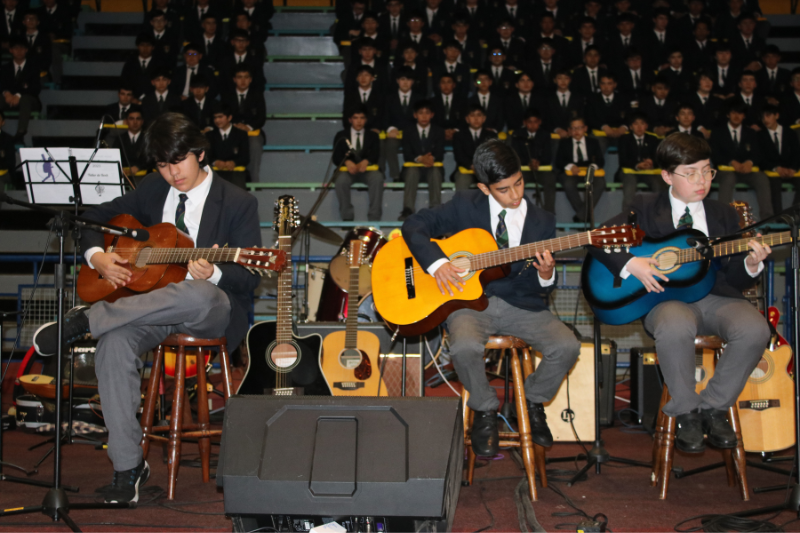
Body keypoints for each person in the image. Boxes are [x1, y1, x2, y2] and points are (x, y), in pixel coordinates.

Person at [32, 112, 262, 503]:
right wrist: (96, 258)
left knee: (200, 292)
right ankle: (128, 468)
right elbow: (90, 218)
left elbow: (250, 278)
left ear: (200, 153)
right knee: (114, 344)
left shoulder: (239, 201)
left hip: (210, 311)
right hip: (150, 309)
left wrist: (216, 273)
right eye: (162, 164)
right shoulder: (153, 191)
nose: (172, 173)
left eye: (178, 161)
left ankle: (86, 320)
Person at [586, 132, 771, 454]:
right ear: (667, 175)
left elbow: (735, 278)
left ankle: (713, 407)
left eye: (708, 171)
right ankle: (685, 412)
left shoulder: (723, 214)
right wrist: (633, 264)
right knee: (674, 325)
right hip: (665, 299)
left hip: (715, 297)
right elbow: (598, 238)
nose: (701, 180)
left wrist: (752, 264)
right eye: (691, 173)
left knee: (755, 328)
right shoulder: (643, 207)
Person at [402, 139, 581, 456]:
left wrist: (545, 273)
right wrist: (438, 264)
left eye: (519, 184)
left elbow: (544, 290)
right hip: (469, 303)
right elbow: (414, 224)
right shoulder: (464, 204)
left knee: (567, 345)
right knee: (464, 345)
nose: (515, 195)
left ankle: (531, 402)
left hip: (522, 303)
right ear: (485, 188)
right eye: (504, 189)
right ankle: (485, 410)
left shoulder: (543, 221)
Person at [710, 101, 772, 218]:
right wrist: (731, 162)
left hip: (746, 171)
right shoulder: (718, 132)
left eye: (740, 113)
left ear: (744, 116)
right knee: (729, 178)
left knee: (761, 178)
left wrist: (749, 162)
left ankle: (767, 218)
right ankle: (723, 217)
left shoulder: (751, 133)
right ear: (728, 114)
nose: (737, 116)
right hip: (724, 171)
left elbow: (758, 154)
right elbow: (715, 155)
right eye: (733, 113)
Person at [333, 105, 383, 221]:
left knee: (377, 178)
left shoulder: (373, 136)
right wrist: (347, 162)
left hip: (368, 170)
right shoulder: (341, 135)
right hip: (347, 171)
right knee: (340, 180)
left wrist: (367, 161)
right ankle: (347, 217)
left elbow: (376, 154)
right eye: (356, 118)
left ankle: (374, 217)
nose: (359, 121)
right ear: (350, 120)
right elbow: (336, 157)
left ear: (366, 120)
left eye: (362, 118)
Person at [399, 99, 445, 220]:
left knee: (435, 171)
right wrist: (421, 158)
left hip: (432, 167)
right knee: (412, 171)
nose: (424, 116)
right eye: (420, 113)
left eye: (427, 113)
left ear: (432, 115)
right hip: (414, 168)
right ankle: (408, 209)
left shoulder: (439, 131)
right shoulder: (408, 131)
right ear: (415, 115)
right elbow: (407, 154)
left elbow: (439, 154)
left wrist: (430, 159)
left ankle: (435, 209)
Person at [554, 116, 605, 222]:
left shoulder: (593, 142)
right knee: (568, 183)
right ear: (569, 130)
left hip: (588, 171)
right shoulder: (564, 143)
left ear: (585, 128)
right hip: (571, 173)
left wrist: (591, 168)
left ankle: (582, 215)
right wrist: (570, 166)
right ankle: (586, 214)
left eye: (579, 128)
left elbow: (600, 161)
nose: (576, 131)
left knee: (600, 182)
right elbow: (559, 162)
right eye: (573, 128)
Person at [220, 65, 266, 182]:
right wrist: (235, 126)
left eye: (246, 77)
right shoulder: (227, 95)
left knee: (255, 144)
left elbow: (261, 118)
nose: (243, 80)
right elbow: (223, 114)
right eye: (240, 77)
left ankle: (254, 180)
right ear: (234, 79)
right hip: (232, 130)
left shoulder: (257, 95)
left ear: (250, 79)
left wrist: (247, 127)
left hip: (251, 131)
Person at [510, 109, 555, 213]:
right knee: (515, 181)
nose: (533, 125)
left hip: (541, 169)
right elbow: (514, 155)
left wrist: (538, 162)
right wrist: (528, 162)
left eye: (535, 122)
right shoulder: (517, 135)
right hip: (523, 171)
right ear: (524, 123)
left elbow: (548, 156)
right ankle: (518, 213)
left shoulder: (544, 135)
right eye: (530, 122)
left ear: (539, 122)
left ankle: (549, 213)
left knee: (550, 179)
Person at [618, 111, 664, 210]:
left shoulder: (653, 139)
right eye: (636, 124)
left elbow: (659, 159)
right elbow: (623, 160)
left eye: (642, 123)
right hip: (629, 171)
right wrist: (637, 165)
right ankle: (627, 218)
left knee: (658, 183)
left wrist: (652, 162)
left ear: (646, 126)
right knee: (630, 184)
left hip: (649, 172)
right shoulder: (624, 139)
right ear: (630, 127)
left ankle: (660, 213)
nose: (639, 127)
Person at [759, 104, 800, 212]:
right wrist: (776, 168)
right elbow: (760, 158)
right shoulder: (760, 136)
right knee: (774, 185)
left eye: (768, 116)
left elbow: (797, 153)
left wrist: (793, 168)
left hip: (791, 170)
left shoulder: (790, 133)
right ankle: (778, 217)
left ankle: (793, 213)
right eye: (763, 117)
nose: (765, 120)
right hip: (772, 171)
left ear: (776, 115)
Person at [0, 37, 41, 142]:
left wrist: (18, 95)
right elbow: (2, 85)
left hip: (29, 99)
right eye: (16, 48)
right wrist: (6, 93)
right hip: (8, 98)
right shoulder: (4, 68)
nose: (19, 51)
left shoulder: (33, 67)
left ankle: (21, 131)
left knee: (25, 99)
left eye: (22, 48)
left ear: (26, 50)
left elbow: (35, 88)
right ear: (10, 50)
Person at [452, 104, 497, 190]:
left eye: (479, 115)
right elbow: (459, 156)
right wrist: (472, 166)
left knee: (492, 180)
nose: (476, 119)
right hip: (466, 170)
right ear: (467, 119)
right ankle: (461, 203)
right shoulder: (459, 135)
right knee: (462, 180)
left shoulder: (492, 136)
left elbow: (493, 155)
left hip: (485, 171)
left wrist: (481, 167)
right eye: (472, 115)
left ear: (484, 118)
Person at [206, 103, 250, 189]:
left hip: (236, 173)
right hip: (215, 173)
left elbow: (245, 158)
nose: (217, 120)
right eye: (215, 117)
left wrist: (234, 162)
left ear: (229, 117)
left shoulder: (241, 134)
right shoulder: (209, 135)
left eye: (220, 117)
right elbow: (207, 156)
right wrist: (215, 162)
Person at [111, 105, 148, 185]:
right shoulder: (119, 138)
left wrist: (139, 167)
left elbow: (151, 158)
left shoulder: (148, 138)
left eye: (138, 119)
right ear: (127, 121)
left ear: (142, 121)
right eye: (131, 119)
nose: (135, 122)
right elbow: (114, 157)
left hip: (144, 179)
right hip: (123, 177)